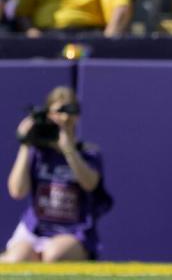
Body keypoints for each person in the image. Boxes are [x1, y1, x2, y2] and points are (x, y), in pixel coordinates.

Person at [1, 86, 111, 262]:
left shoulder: (89, 154)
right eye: (58, 112)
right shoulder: (38, 153)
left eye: (69, 111)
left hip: (73, 231)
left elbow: (90, 184)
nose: (64, 118)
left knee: (53, 255)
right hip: (35, 229)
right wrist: (25, 143)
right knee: (16, 259)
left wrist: (68, 149)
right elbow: (17, 191)